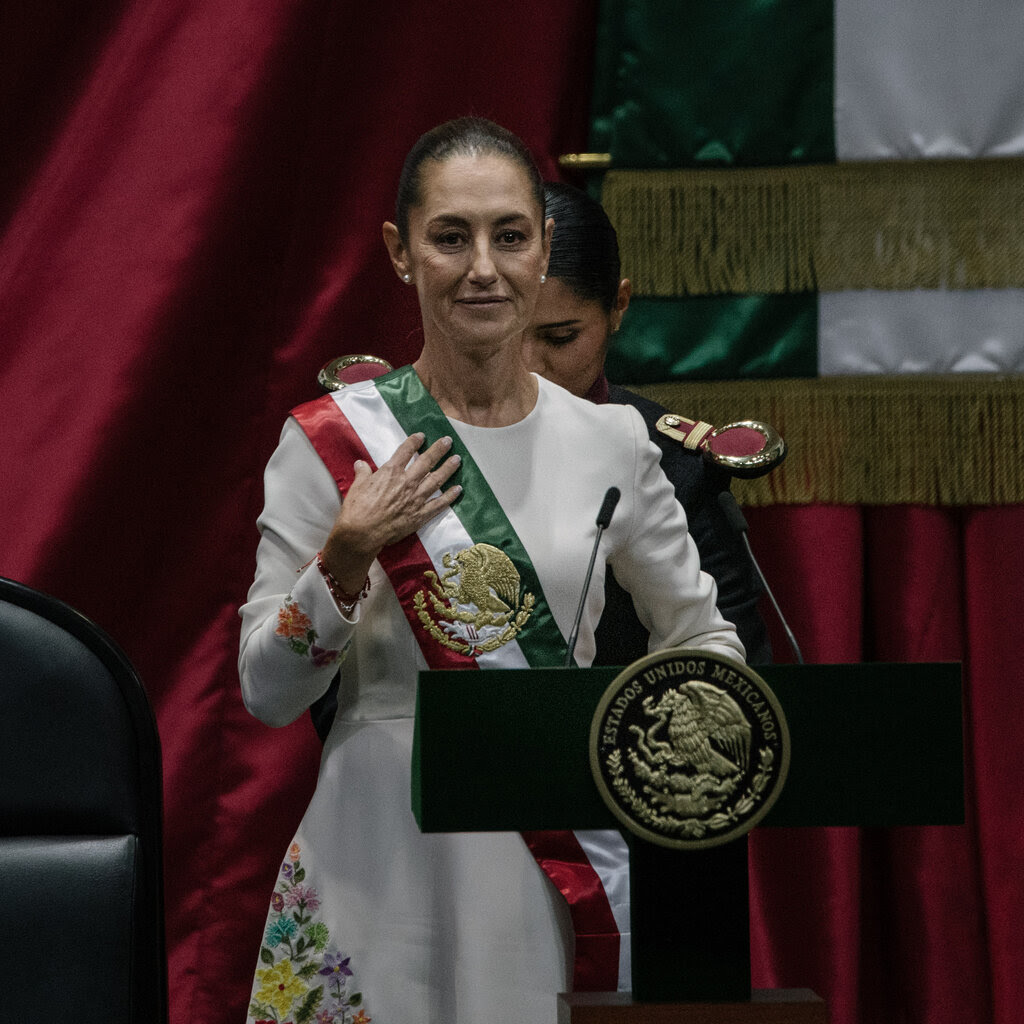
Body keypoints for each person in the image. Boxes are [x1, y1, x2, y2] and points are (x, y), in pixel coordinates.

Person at [238, 118, 744, 1024]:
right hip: (378, 848)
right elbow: (266, 693)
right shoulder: (333, 442)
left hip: (549, 856)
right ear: (400, 253)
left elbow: (703, 641)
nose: (483, 267)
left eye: (510, 236)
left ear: (544, 248)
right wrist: (345, 556)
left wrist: (671, 754)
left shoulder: (612, 442)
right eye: (450, 236)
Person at [523, 180, 771, 666]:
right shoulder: (419, 438)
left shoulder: (675, 462)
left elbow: (739, 664)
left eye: (560, 338)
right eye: (506, 336)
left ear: (618, 306)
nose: (530, 367)